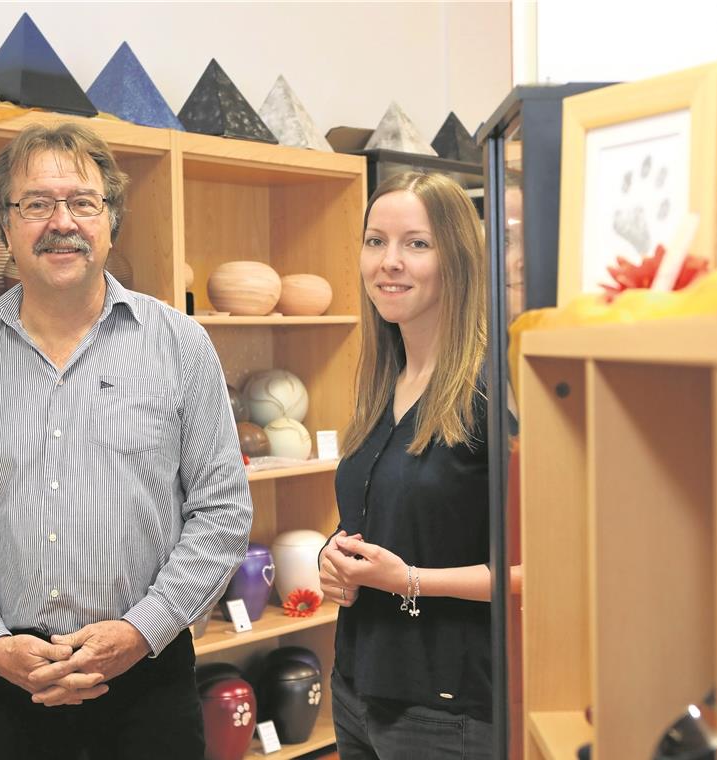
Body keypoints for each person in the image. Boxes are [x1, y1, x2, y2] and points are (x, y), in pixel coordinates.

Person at [0, 122, 252, 760]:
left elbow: (222, 511)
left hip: (150, 678)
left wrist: (140, 634)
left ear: (110, 220)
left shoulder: (180, 346)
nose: (61, 222)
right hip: (10, 682)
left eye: (83, 203)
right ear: (6, 228)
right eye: (36, 204)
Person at [318, 171, 492, 759]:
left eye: (416, 243)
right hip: (358, 690)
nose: (389, 262)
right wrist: (334, 552)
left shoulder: (493, 393)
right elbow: (382, 513)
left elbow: (542, 572)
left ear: (457, 258)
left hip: (448, 712)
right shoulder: (381, 382)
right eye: (375, 241)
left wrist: (411, 581)